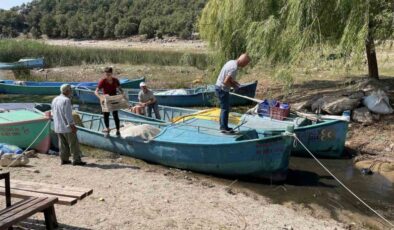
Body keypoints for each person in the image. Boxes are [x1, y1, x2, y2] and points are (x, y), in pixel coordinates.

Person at [51, 84, 86, 166]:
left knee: (62, 145)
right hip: (66, 127)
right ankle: (76, 160)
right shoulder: (66, 100)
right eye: (70, 90)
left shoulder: (55, 99)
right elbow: (68, 115)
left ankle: (64, 159)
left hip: (58, 127)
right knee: (73, 144)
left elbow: (53, 113)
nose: (71, 91)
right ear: (67, 91)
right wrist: (72, 126)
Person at [215, 53, 250, 133]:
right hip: (222, 89)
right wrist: (235, 87)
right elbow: (226, 81)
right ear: (243, 61)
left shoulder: (231, 62)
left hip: (218, 87)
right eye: (246, 64)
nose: (245, 66)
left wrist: (235, 83)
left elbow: (228, 78)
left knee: (224, 108)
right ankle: (224, 128)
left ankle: (223, 126)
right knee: (225, 109)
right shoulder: (234, 68)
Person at [94, 67, 123, 136]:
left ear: (111, 74)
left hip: (114, 98)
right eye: (106, 75)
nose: (107, 76)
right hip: (105, 98)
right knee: (106, 115)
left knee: (115, 115)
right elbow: (95, 91)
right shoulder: (103, 81)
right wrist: (100, 97)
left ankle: (118, 130)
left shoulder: (116, 80)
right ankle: (107, 128)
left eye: (109, 75)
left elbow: (120, 89)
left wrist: (122, 94)